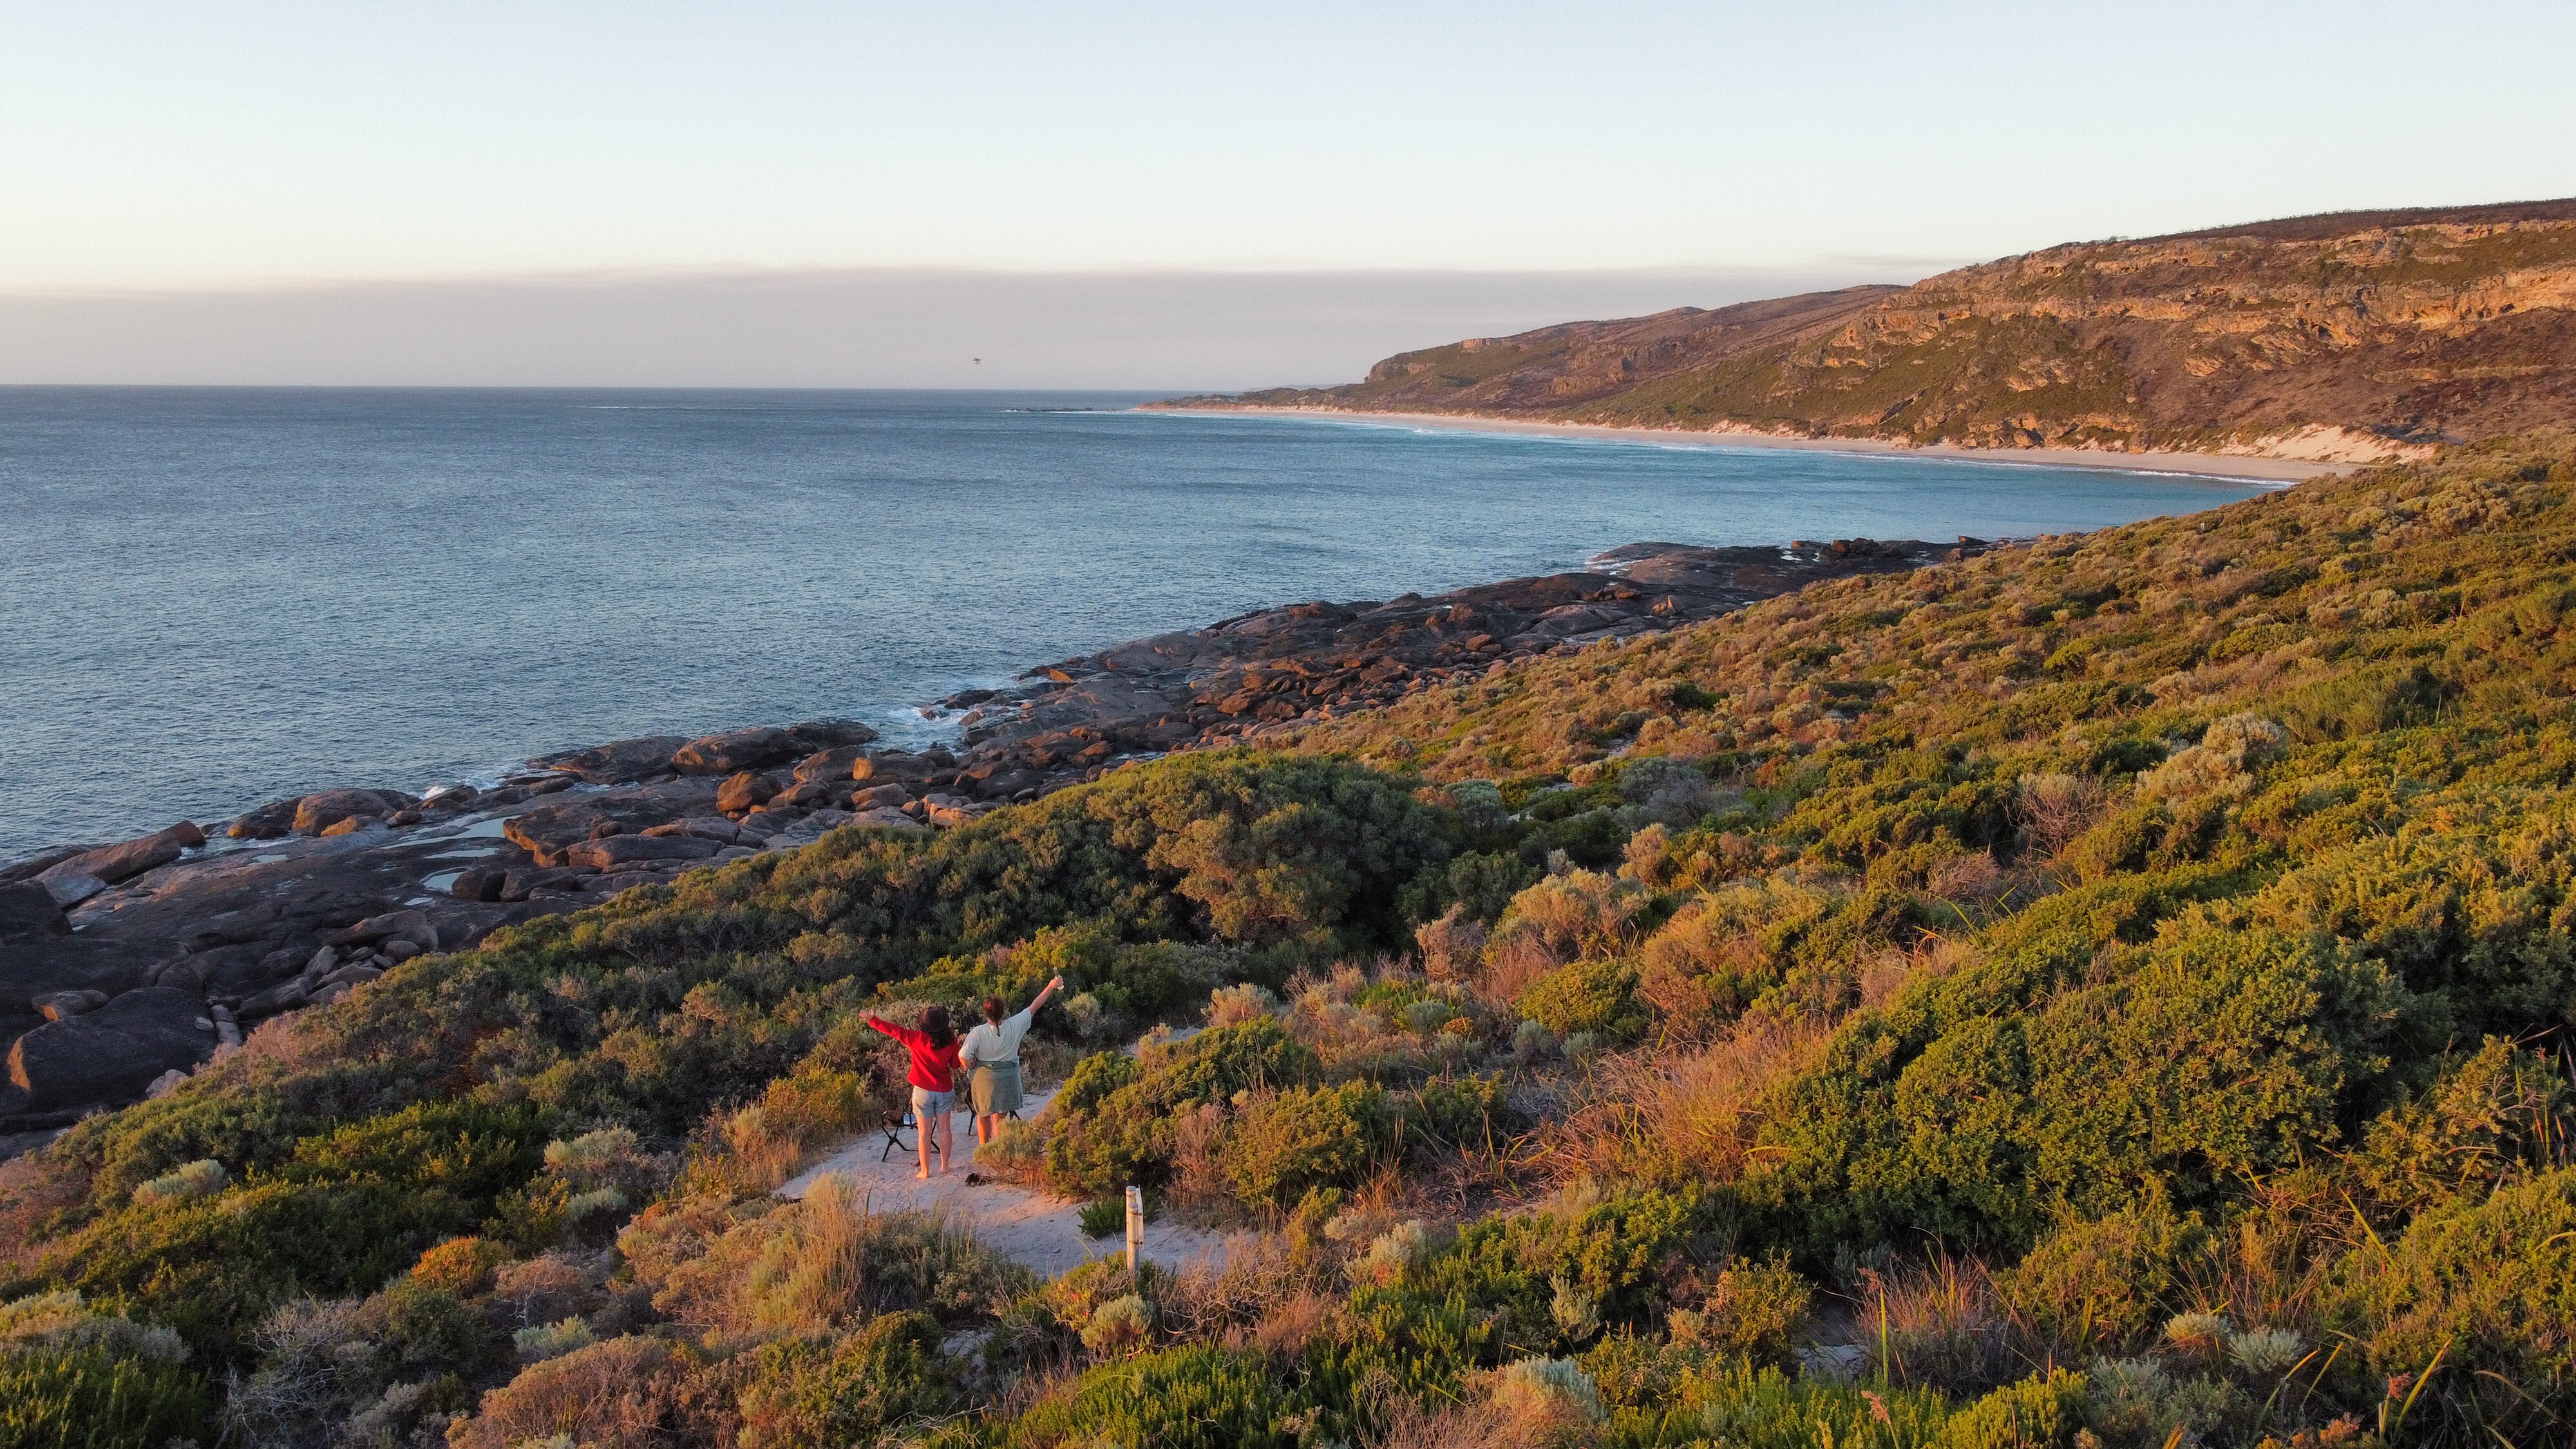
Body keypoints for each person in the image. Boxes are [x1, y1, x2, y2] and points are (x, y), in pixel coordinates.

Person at [960, 975, 1062, 1147]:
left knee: (983, 1115)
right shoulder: (1015, 1024)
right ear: (1003, 1011)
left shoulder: (978, 1032)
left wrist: (970, 1065)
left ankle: (985, 1149)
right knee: (1000, 1116)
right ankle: (1000, 1147)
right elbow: (1034, 1006)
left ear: (985, 1013)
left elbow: (963, 1056)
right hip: (1007, 1077)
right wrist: (1050, 987)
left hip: (984, 1079)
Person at [864, 1005, 961, 1179]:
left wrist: (874, 1020)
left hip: (923, 1091)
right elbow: (955, 1065)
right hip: (944, 1089)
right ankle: (945, 1166)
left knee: (924, 1132)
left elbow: (895, 1031)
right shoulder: (952, 1041)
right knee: (945, 1130)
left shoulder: (916, 1039)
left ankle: (925, 1171)